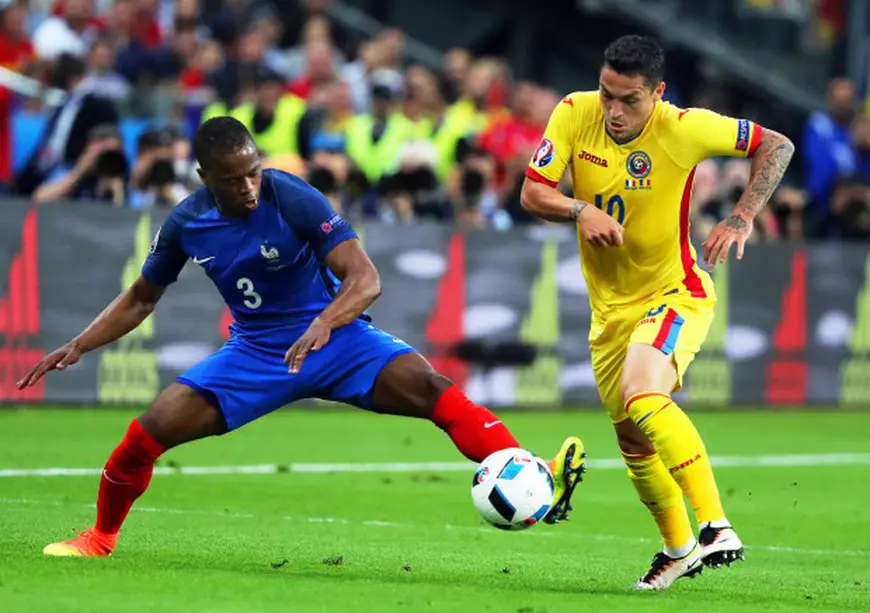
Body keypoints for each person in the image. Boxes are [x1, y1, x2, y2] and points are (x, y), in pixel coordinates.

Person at [17, 116, 586, 557]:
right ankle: (100, 536)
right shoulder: (187, 223)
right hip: (257, 354)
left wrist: (324, 323)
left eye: (252, 171)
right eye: (231, 179)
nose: (247, 186)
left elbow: (366, 278)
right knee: (149, 432)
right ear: (203, 179)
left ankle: (533, 480)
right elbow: (142, 297)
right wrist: (80, 344)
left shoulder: (291, 195)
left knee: (433, 388)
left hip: (337, 338)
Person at [520, 35, 794, 590]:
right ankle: (677, 549)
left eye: (630, 100)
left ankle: (716, 526)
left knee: (644, 394)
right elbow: (532, 192)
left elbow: (779, 146)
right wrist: (579, 209)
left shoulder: (684, 126)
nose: (615, 112)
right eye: (608, 95)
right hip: (609, 313)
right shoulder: (574, 112)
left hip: (674, 293)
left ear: (658, 93)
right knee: (634, 443)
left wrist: (741, 218)